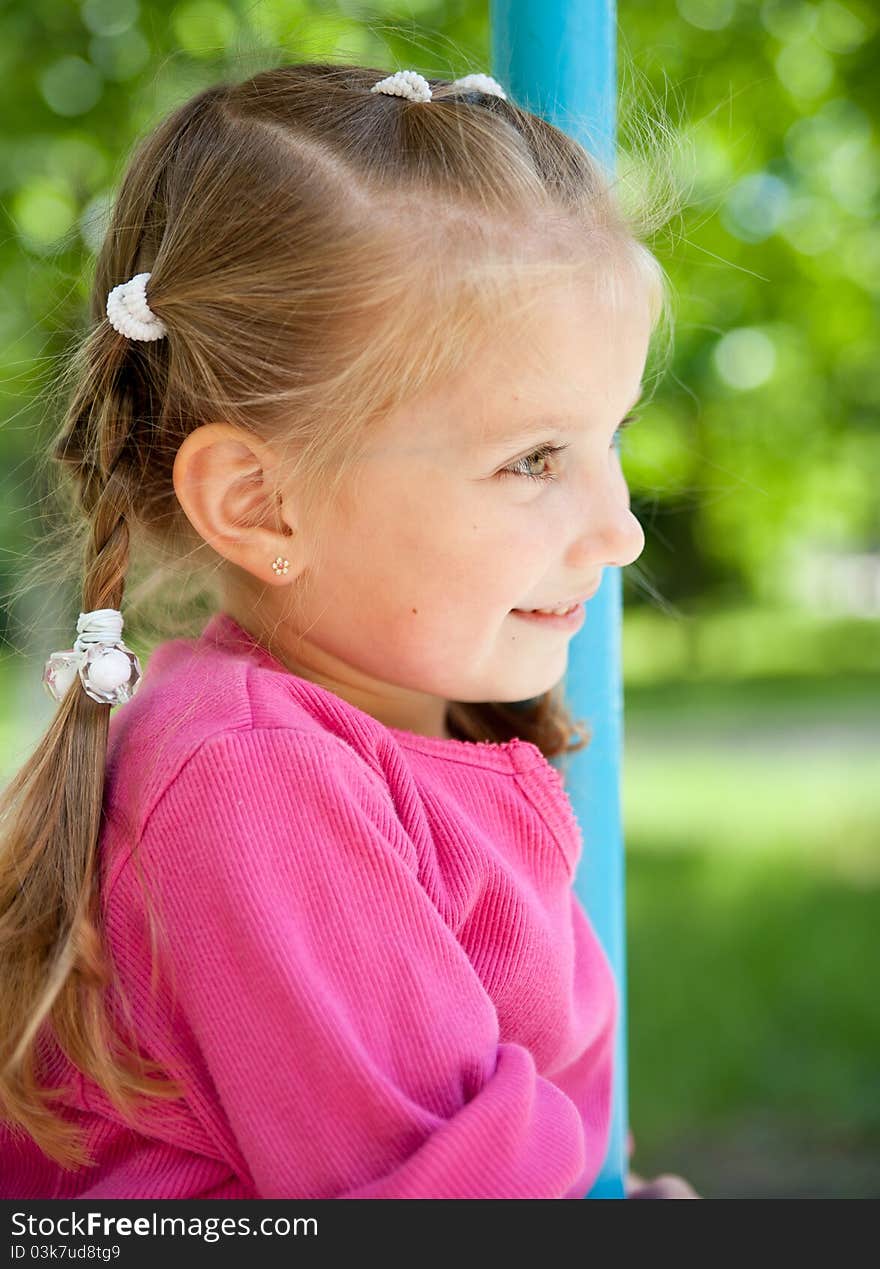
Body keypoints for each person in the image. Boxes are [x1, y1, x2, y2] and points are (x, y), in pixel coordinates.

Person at [0, 62, 699, 1200]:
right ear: (261, 504)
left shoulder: (375, 724)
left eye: (610, 434)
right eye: (532, 459)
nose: (617, 531)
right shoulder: (258, 779)